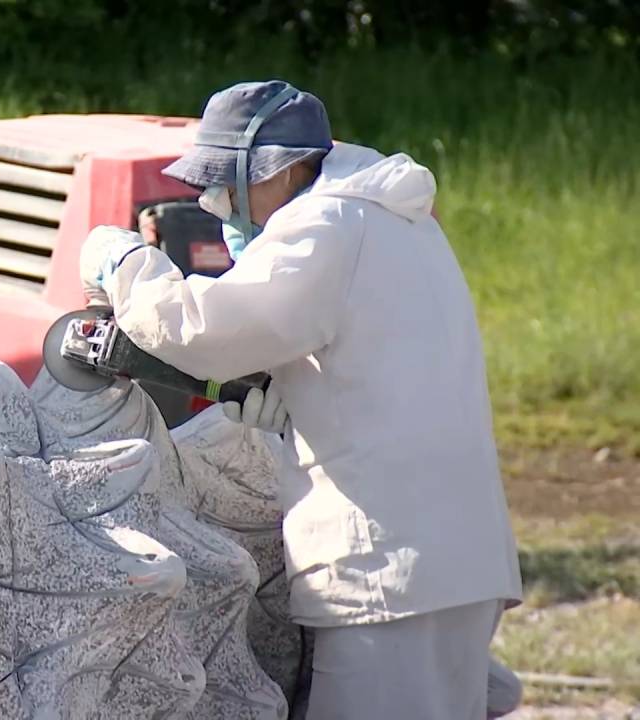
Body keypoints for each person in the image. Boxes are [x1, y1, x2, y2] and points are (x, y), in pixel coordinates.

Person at [79, 80, 523, 720]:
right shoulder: (398, 220)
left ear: (280, 171)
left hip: (386, 567)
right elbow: (369, 371)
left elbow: (198, 330)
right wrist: (294, 403)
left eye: (225, 185)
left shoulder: (326, 224)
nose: (218, 204)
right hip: (450, 557)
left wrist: (122, 260)